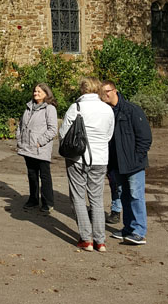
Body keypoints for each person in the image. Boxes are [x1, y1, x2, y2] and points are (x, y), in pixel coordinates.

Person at [59, 77, 114, 252]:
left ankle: (86, 239)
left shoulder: (76, 107)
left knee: (78, 197)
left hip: (78, 158)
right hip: (100, 158)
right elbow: (108, 135)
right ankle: (100, 241)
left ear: (82, 89)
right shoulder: (107, 109)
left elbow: (63, 133)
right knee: (97, 199)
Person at [101, 79, 152, 245]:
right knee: (124, 196)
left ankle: (139, 231)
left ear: (115, 91)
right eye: (102, 92)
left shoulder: (131, 110)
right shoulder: (107, 112)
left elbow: (145, 137)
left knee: (136, 196)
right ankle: (129, 228)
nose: (104, 95)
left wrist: (137, 158)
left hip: (133, 163)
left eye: (107, 91)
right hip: (117, 164)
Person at [16, 83, 58, 215]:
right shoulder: (29, 107)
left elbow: (53, 129)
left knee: (44, 176)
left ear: (46, 93)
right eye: (35, 91)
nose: (36, 93)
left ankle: (47, 202)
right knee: (32, 174)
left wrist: (40, 142)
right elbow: (21, 125)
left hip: (41, 149)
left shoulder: (49, 108)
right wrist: (19, 139)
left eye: (39, 91)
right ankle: (33, 199)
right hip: (27, 147)